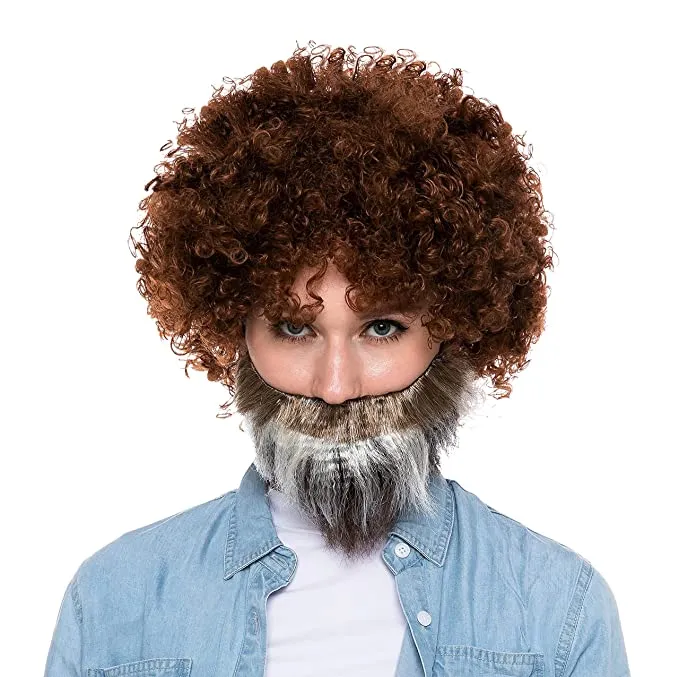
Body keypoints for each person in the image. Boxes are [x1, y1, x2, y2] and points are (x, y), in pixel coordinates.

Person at [44, 42, 631, 676]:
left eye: (381, 328)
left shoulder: (558, 612)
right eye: (295, 328)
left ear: (451, 331)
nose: (335, 386)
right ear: (236, 331)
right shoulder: (114, 601)